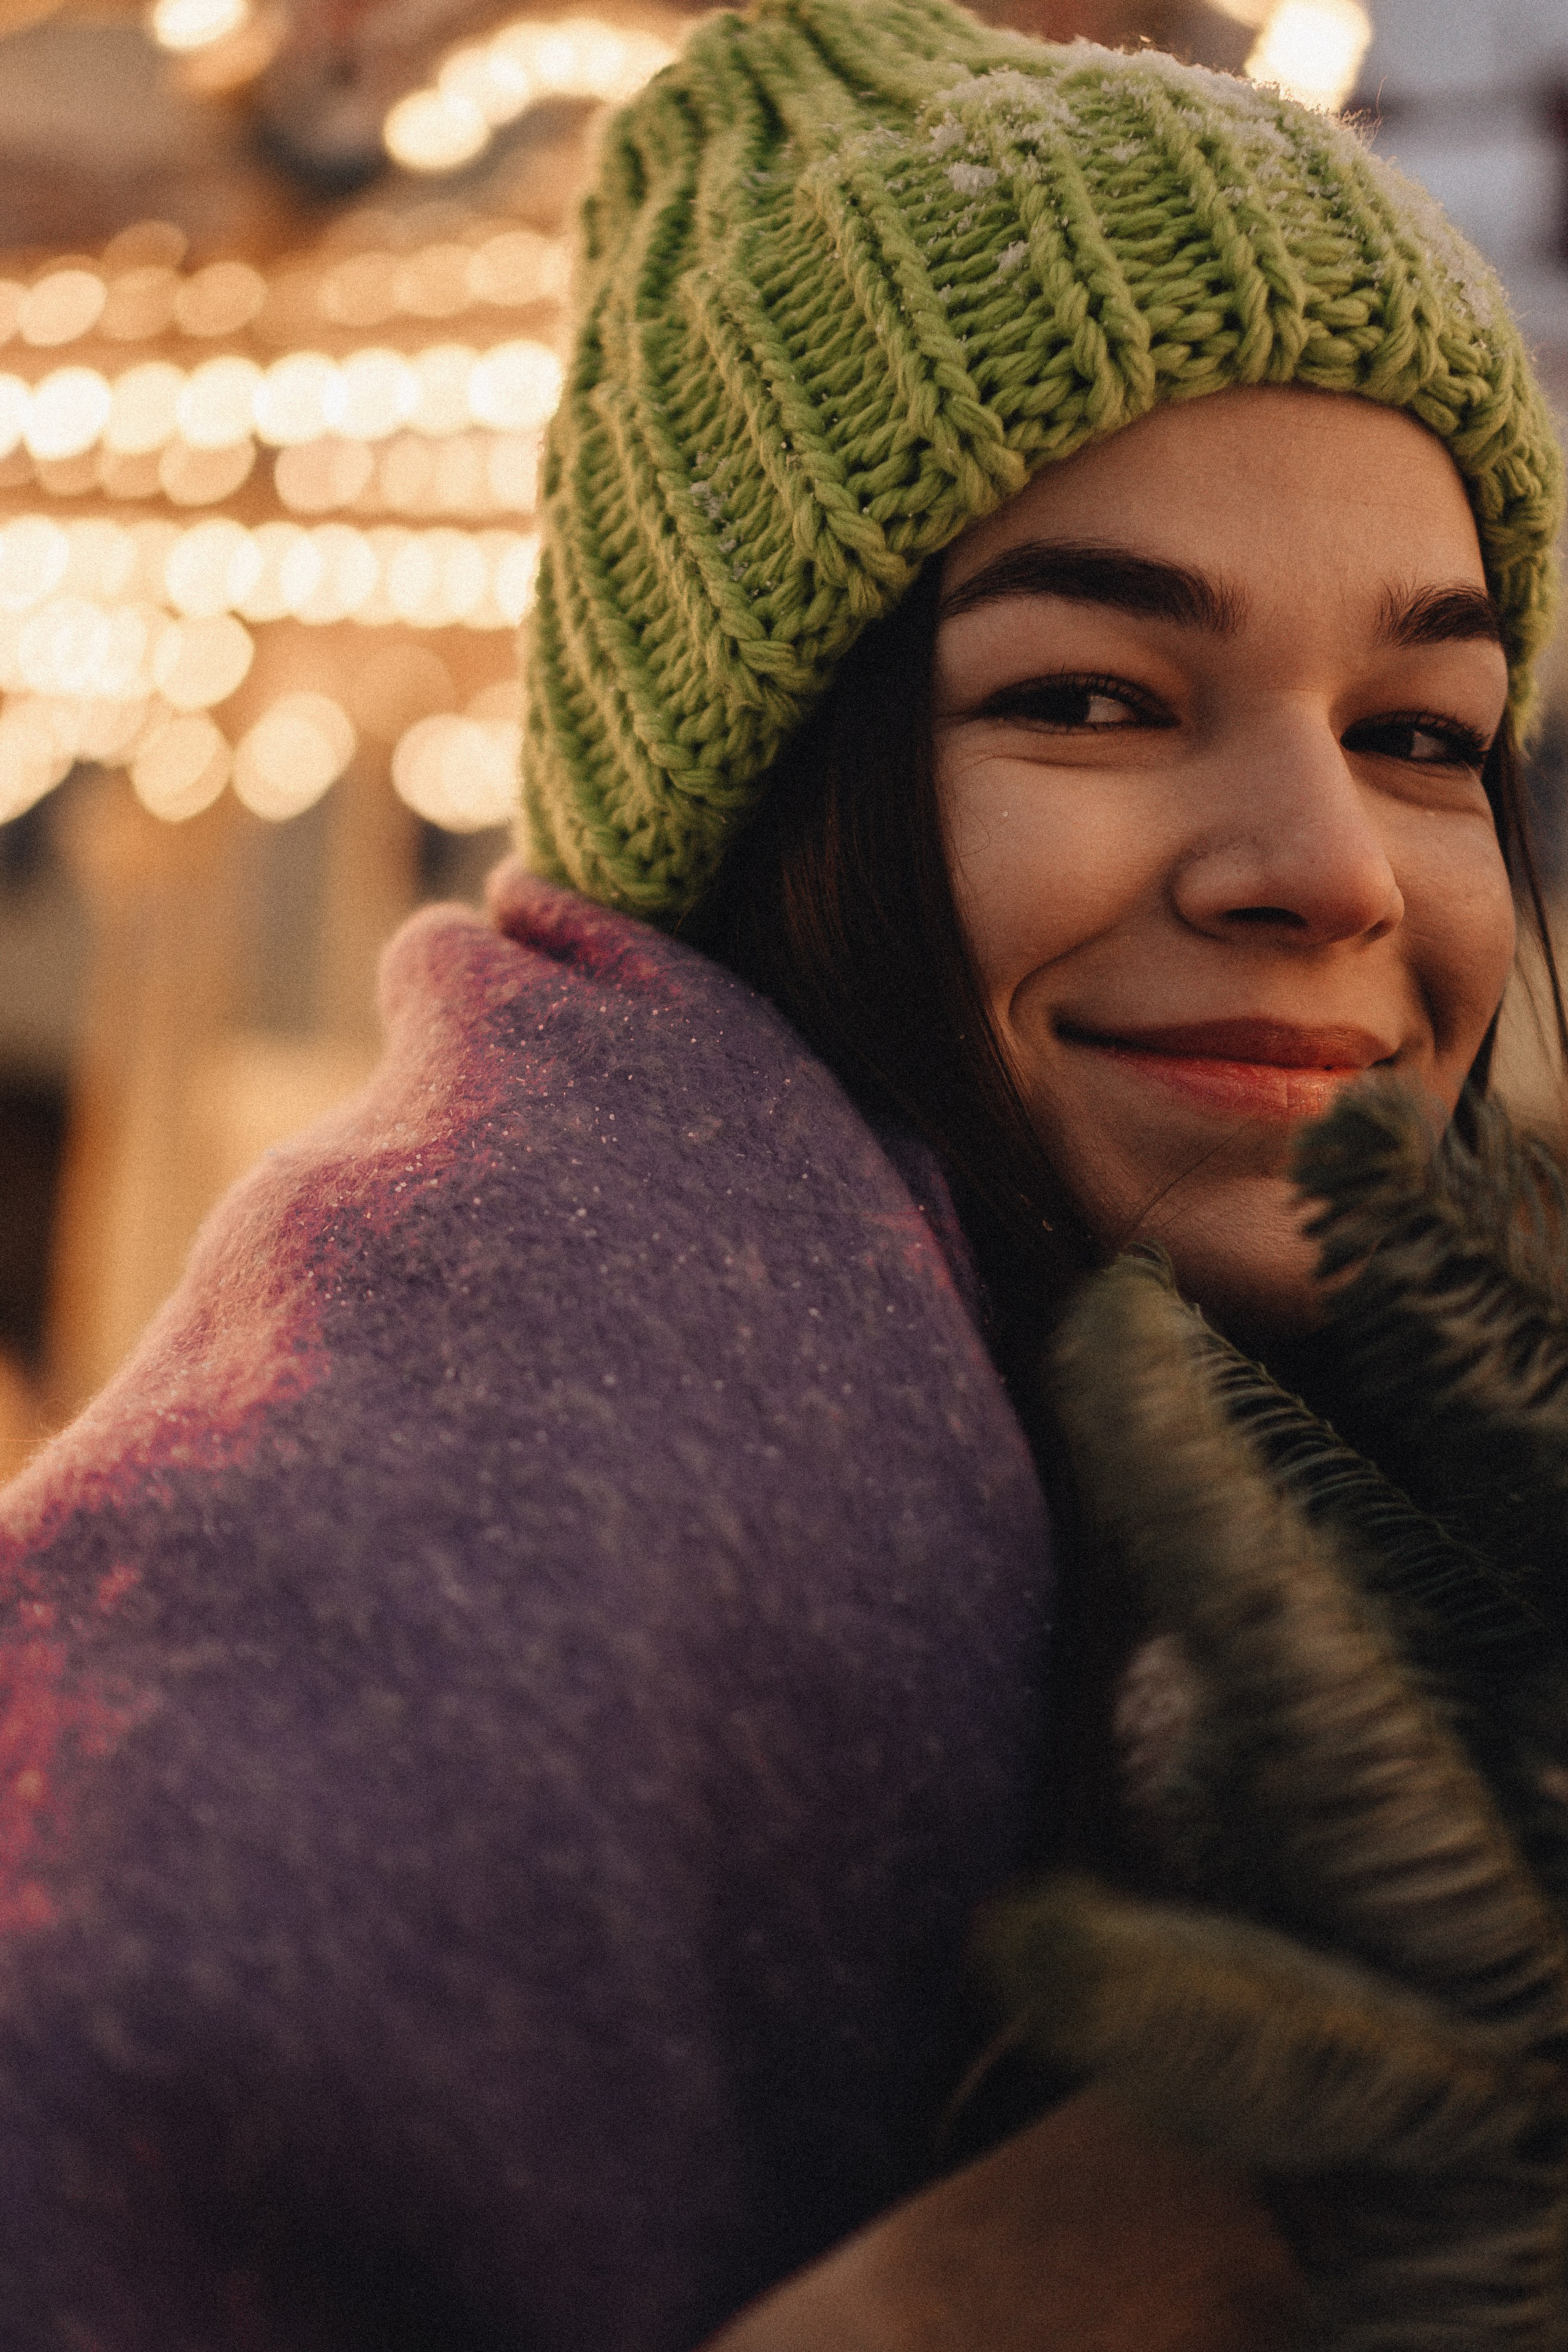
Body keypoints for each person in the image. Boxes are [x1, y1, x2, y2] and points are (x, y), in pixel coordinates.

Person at [0, 2, 1561, 2346]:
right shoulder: (588, 1372)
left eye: (1423, 734)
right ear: (761, 787)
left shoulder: (1164, 1382)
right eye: (1092, 698)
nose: (1330, 866)